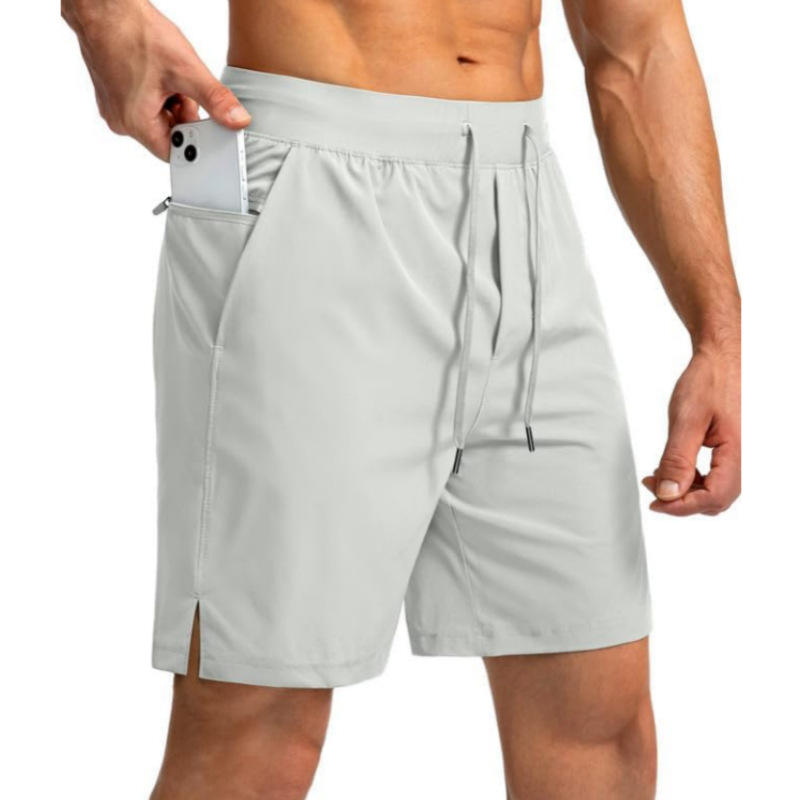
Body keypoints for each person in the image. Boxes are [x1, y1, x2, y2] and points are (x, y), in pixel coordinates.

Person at [62, 0, 741, 797]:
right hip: (309, 179)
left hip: (524, 215)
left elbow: (637, 42)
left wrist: (715, 333)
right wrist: (102, 15)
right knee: (258, 721)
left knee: (597, 716)